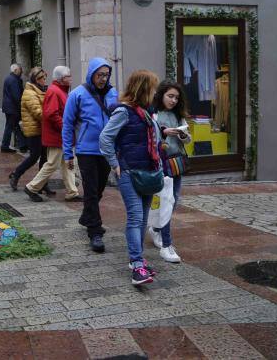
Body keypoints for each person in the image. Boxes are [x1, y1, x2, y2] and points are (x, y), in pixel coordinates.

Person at [99, 70, 161, 286]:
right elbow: (105, 138)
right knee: (135, 218)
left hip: (148, 172)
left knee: (143, 219)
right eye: (152, 88)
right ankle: (136, 265)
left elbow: (152, 141)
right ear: (143, 88)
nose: (155, 92)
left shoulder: (146, 112)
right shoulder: (124, 111)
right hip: (129, 173)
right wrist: (114, 165)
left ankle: (139, 260)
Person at [62, 57, 118, 253]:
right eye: (100, 75)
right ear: (92, 74)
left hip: (106, 150)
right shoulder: (77, 94)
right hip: (86, 151)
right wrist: (68, 153)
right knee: (91, 190)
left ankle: (87, 217)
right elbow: (67, 125)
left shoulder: (112, 93)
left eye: (106, 74)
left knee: (100, 189)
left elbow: (118, 120)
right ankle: (95, 232)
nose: (103, 78)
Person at [149, 80, 192, 263]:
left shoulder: (178, 115)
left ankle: (156, 229)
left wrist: (183, 135)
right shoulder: (154, 114)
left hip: (177, 162)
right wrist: (164, 132)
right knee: (165, 201)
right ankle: (167, 244)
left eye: (176, 97)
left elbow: (188, 141)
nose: (173, 100)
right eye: (170, 96)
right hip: (161, 163)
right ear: (161, 95)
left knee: (173, 201)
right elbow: (151, 137)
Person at [24, 66, 80, 202]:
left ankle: (72, 192)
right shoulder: (55, 91)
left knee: (67, 163)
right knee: (52, 164)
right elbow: (51, 114)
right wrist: (65, 127)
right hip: (57, 136)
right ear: (61, 79)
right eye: (68, 76)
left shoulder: (59, 90)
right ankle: (32, 187)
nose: (71, 78)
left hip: (60, 135)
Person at [9, 67, 47, 191]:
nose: (44, 80)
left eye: (45, 77)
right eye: (41, 78)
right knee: (34, 157)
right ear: (35, 80)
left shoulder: (41, 90)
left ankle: (42, 184)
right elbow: (38, 112)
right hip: (33, 130)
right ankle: (16, 174)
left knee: (45, 158)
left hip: (42, 129)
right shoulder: (30, 93)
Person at [1, 64, 26, 154]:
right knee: (11, 126)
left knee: (16, 126)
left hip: (9, 107)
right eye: (20, 70)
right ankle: (5, 146)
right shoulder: (14, 80)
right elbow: (17, 96)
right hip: (13, 108)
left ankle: (23, 145)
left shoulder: (9, 78)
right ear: (15, 70)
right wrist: (21, 107)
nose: (21, 71)